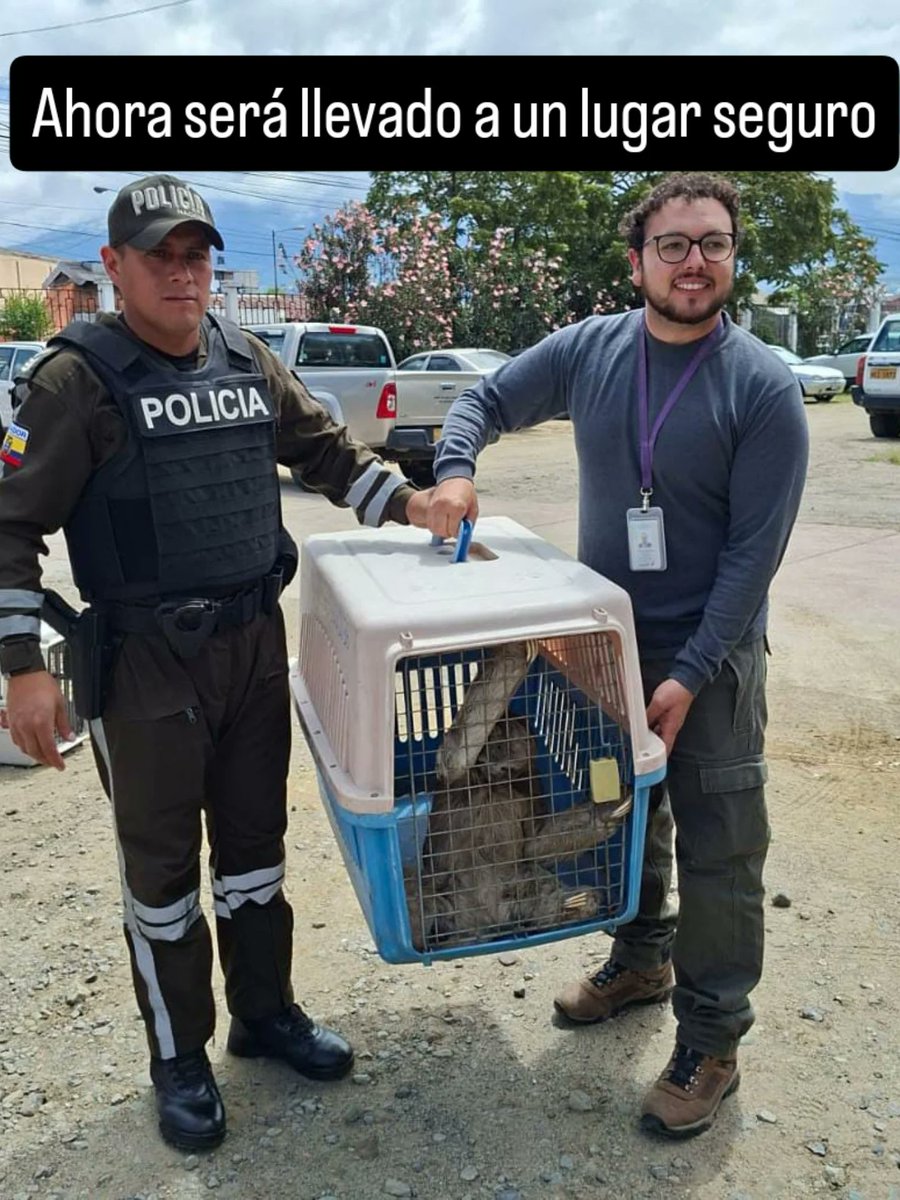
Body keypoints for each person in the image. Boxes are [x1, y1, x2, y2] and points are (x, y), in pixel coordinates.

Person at [0, 174, 432, 1152]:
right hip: (146, 663)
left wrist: (412, 505)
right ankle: (179, 1057)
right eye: (162, 256)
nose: (184, 274)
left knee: (256, 856)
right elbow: (9, 526)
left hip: (251, 646)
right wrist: (22, 664)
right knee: (163, 879)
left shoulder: (243, 355)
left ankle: (265, 1015)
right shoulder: (74, 381)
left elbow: (325, 452)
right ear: (114, 269)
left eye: (197, 255)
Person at [424, 172, 809, 1139]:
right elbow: (481, 403)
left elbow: (751, 562)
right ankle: (641, 957)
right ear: (637, 260)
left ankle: (713, 1039)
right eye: (675, 244)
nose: (695, 262)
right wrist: (458, 472)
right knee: (622, 808)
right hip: (601, 647)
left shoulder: (762, 387)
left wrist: (686, 676)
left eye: (714, 243)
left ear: (732, 257)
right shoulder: (591, 351)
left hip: (713, 659)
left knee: (723, 848)